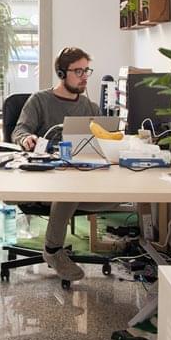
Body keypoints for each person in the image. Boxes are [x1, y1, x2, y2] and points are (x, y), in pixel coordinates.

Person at [11, 46, 117, 282]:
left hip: (81, 179)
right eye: (78, 71)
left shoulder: (90, 108)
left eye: (86, 71)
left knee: (117, 197)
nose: (84, 76)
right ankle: (53, 250)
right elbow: (19, 131)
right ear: (61, 73)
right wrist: (26, 138)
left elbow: (103, 143)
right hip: (47, 181)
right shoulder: (40, 100)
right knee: (69, 190)